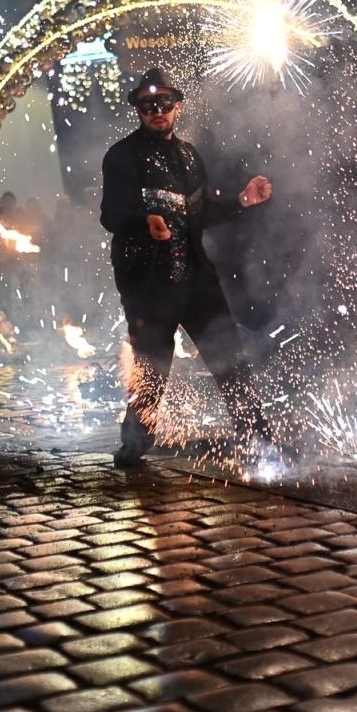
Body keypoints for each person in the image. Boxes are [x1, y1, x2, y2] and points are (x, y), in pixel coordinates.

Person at [100, 67, 274, 468]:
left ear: (177, 107)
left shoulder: (189, 156)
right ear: (138, 110)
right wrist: (145, 223)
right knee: (151, 364)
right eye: (147, 106)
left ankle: (256, 434)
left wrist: (242, 201)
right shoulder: (122, 156)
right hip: (148, 282)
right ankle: (135, 442)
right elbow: (110, 215)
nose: (156, 111)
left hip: (196, 278)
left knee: (229, 353)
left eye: (163, 104)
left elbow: (200, 212)